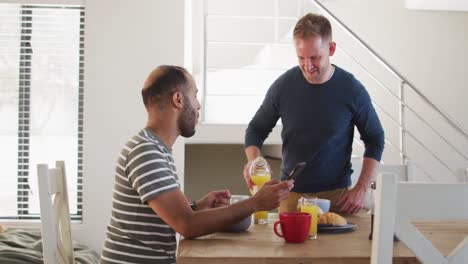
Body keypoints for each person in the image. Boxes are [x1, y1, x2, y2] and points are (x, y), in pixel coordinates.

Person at [100, 65, 294, 264]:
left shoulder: (154, 148)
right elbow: (187, 225)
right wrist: (256, 203)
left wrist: (197, 206)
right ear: (178, 99)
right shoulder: (146, 152)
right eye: (195, 95)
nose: (198, 105)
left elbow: (171, 216)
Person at [243, 13, 384, 215]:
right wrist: (253, 161)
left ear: (331, 49)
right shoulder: (283, 86)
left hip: (338, 199)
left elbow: (375, 138)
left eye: (315, 58)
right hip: (291, 198)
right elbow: (256, 129)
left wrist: (361, 188)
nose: (307, 66)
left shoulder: (352, 89)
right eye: (301, 58)